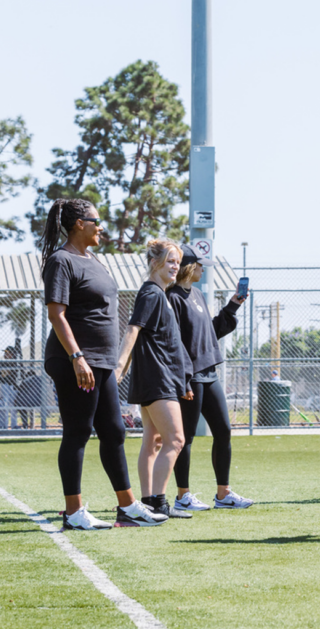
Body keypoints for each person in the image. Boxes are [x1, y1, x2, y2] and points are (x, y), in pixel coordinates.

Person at [40, 198, 165, 529]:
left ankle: (127, 506)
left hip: (102, 361)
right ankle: (73, 512)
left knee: (114, 430)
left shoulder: (94, 260)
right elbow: (56, 314)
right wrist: (77, 356)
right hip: (76, 359)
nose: (102, 227)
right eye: (97, 221)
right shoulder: (61, 260)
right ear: (80, 224)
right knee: (79, 431)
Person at [167, 243, 253, 512]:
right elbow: (175, 343)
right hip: (189, 377)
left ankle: (223, 494)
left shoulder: (198, 295)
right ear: (189, 267)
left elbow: (210, 332)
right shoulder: (172, 297)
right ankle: (183, 496)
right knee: (186, 437)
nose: (203, 269)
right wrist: (183, 379)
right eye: (200, 265)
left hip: (209, 373)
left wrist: (233, 306)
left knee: (224, 431)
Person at [116, 240, 194, 521]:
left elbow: (168, 344)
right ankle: (159, 503)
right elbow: (132, 329)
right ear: (154, 263)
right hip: (156, 379)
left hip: (161, 379)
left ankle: (148, 502)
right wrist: (119, 367)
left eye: (178, 261)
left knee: (154, 440)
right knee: (176, 440)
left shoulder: (162, 295)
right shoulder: (151, 293)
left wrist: (182, 381)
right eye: (170, 261)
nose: (175, 266)